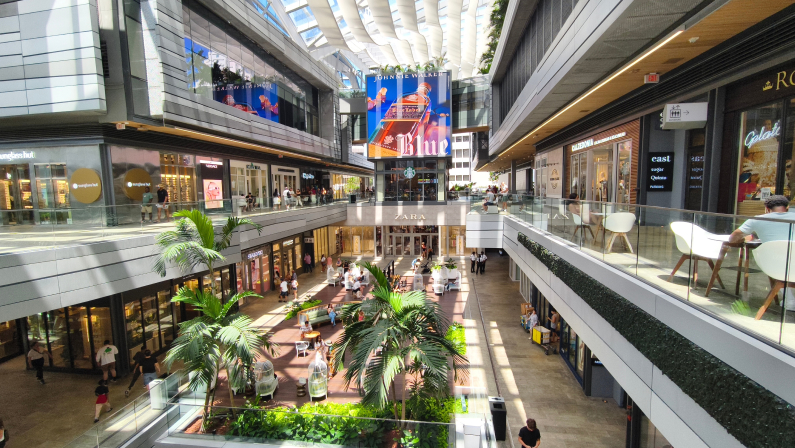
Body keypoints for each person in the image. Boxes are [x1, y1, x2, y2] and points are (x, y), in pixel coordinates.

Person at [729, 195, 795, 244]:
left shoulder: (756, 219)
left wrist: (744, 239)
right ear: (787, 208)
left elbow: (733, 238)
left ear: (767, 209)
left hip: (767, 259)